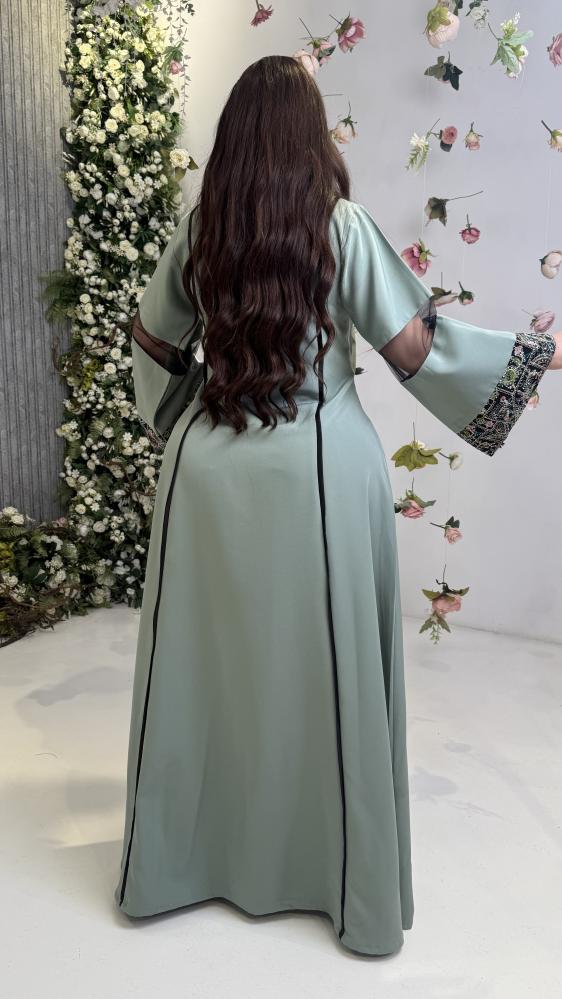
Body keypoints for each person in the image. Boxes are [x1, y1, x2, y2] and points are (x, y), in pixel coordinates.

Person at [113, 54, 561, 957]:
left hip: (205, 480)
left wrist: (182, 419)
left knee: (207, 674)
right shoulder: (339, 226)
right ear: (307, 133)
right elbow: (414, 350)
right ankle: (327, 876)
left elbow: (153, 340)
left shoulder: (202, 228)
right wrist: (530, 357)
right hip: (318, 478)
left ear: (239, 134)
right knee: (322, 676)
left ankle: (183, 865)